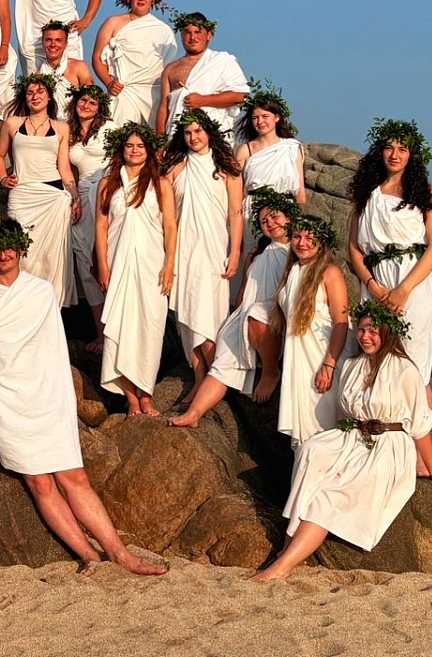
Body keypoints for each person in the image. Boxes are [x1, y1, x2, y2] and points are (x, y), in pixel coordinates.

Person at [0, 218, 166, 578]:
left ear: (21, 249)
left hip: (45, 396)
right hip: (2, 400)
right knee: (39, 482)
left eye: (10, 247)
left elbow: (52, 347)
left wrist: (62, 397)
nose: (3, 254)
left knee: (74, 477)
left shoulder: (40, 291)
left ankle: (120, 554)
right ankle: (88, 554)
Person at [252, 300, 432, 582]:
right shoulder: (352, 366)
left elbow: (420, 427)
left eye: (373, 331)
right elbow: (345, 415)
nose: (365, 336)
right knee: (310, 451)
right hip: (353, 438)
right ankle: (288, 548)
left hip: (389, 445)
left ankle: (283, 566)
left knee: (328, 497)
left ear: (387, 333)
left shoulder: (404, 370)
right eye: (361, 330)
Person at [167, 187, 303, 429]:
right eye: (263, 221)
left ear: (289, 217)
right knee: (221, 362)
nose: (269, 223)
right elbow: (243, 295)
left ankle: (270, 372)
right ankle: (193, 414)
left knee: (257, 315)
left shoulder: (298, 252)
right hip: (246, 317)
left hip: (275, 318)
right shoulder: (256, 254)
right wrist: (235, 322)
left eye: (274, 216)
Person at [347, 118, 432, 421]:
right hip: (376, 280)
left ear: (412, 154)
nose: (395, 154)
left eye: (402, 149)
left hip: (413, 282)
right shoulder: (366, 194)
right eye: (389, 148)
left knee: (414, 360)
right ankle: (383, 430)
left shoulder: (426, 194)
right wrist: (373, 286)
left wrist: (403, 290)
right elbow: (353, 248)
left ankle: (422, 440)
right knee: (376, 353)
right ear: (380, 152)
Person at [95, 122, 177, 417]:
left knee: (150, 328)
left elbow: (170, 227)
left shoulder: (160, 184)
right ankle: (132, 400)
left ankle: (147, 395)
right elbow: (101, 227)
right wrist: (103, 266)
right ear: (122, 149)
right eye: (129, 145)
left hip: (152, 264)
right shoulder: (108, 184)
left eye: (140, 146)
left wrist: (169, 265)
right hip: (119, 265)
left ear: (149, 151)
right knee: (122, 327)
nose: (134, 150)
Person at [163, 111, 244, 391]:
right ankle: (200, 380)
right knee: (187, 317)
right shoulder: (177, 167)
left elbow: (236, 213)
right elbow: (166, 214)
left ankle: (217, 379)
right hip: (183, 250)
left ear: (209, 132)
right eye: (187, 133)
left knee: (206, 315)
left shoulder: (226, 168)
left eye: (198, 131)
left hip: (213, 250)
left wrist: (235, 253)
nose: (193, 137)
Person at [0, 74, 78, 305]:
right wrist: (3, 179)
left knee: (52, 256)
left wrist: (75, 197)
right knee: (21, 251)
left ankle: (50, 307)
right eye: (30, 92)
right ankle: (20, 304)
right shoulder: (13, 123)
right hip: (22, 195)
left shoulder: (61, 128)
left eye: (40, 92)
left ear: (49, 96)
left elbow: (64, 168)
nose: (35, 96)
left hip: (53, 197)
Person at [275, 207, 350, 443]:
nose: (302, 243)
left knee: (322, 424)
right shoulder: (292, 271)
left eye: (310, 238)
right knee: (304, 427)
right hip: (298, 357)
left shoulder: (330, 272)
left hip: (322, 356)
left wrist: (329, 365)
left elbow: (341, 322)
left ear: (321, 242)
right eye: (297, 236)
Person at [233, 80, 307, 289]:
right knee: (254, 259)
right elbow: (237, 191)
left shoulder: (292, 147)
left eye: (265, 116)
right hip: (253, 212)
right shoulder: (245, 150)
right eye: (255, 117)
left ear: (277, 117)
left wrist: (300, 222)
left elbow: (300, 191)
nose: (260, 122)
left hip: (285, 211)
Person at [92, 0, 178, 127]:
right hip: (124, 90)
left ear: (153, 0)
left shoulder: (164, 31)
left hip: (153, 94)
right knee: (117, 135)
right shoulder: (113, 22)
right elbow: (97, 57)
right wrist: (109, 83)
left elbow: (169, 69)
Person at [65, 83, 113, 347]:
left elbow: (123, 159)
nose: (86, 105)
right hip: (81, 194)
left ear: (99, 108)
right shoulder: (68, 131)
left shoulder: (109, 128)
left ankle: (117, 331)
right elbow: (67, 169)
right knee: (86, 263)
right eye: (83, 100)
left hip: (106, 192)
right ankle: (101, 333)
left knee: (107, 257)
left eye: (93, 102)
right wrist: (74, 197)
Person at [160, 12, 248, 142]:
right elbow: (163, 108)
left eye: (198, 32)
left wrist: (203, 100)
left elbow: (240, 96)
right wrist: (160, 143)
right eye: (187, 32)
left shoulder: (223, 61)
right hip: (177, 140)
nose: (192, 37)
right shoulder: (170, 69)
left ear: (209, 35)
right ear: (181, 35)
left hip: (214, 139)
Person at [30, 20, 96, 115]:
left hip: (76, 120)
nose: (53, 45)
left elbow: (91, 98)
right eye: (49, 40)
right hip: (50, 122)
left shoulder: (79, 67)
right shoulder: (37, 76)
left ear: (65, 44)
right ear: (42, 42)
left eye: (58, 40)